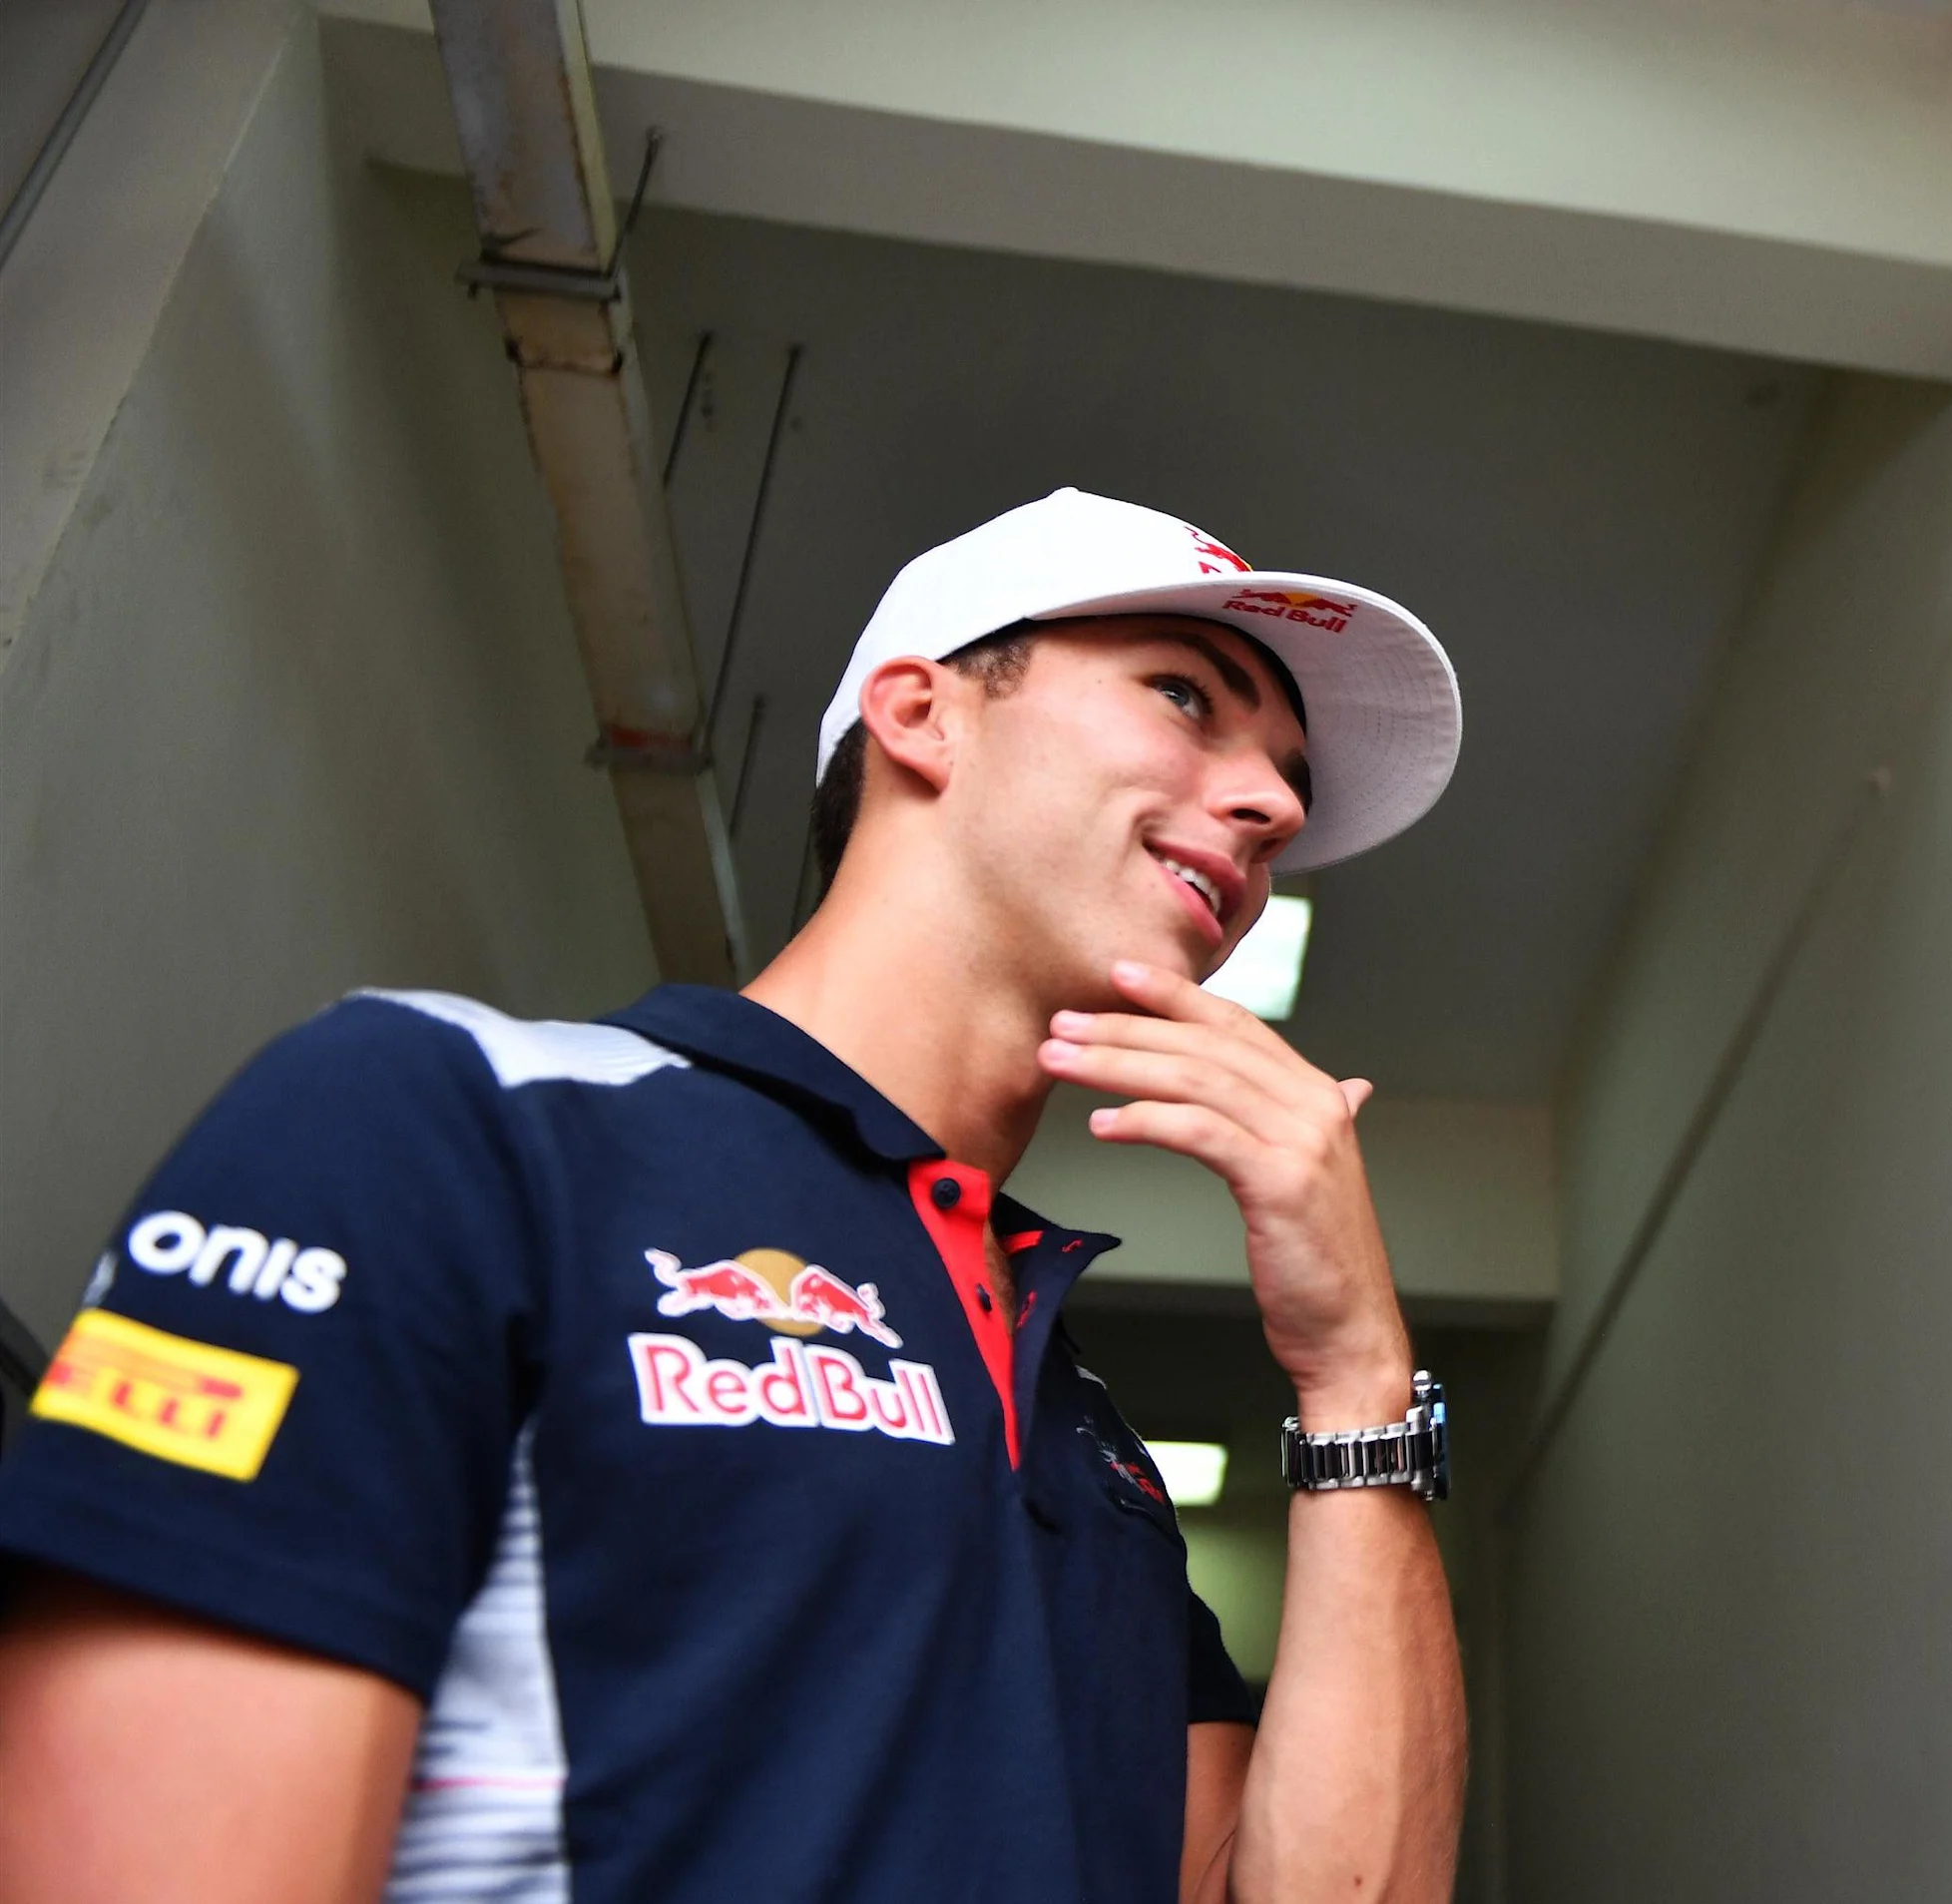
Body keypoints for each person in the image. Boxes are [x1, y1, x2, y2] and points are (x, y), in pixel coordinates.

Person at [0, 489, 1471, 1903]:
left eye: (1291, 777)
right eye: (1187, 694)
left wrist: (1357, 1372)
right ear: (922, 713)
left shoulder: (1087, 1440)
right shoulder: (449, 1121)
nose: (1274, 803)